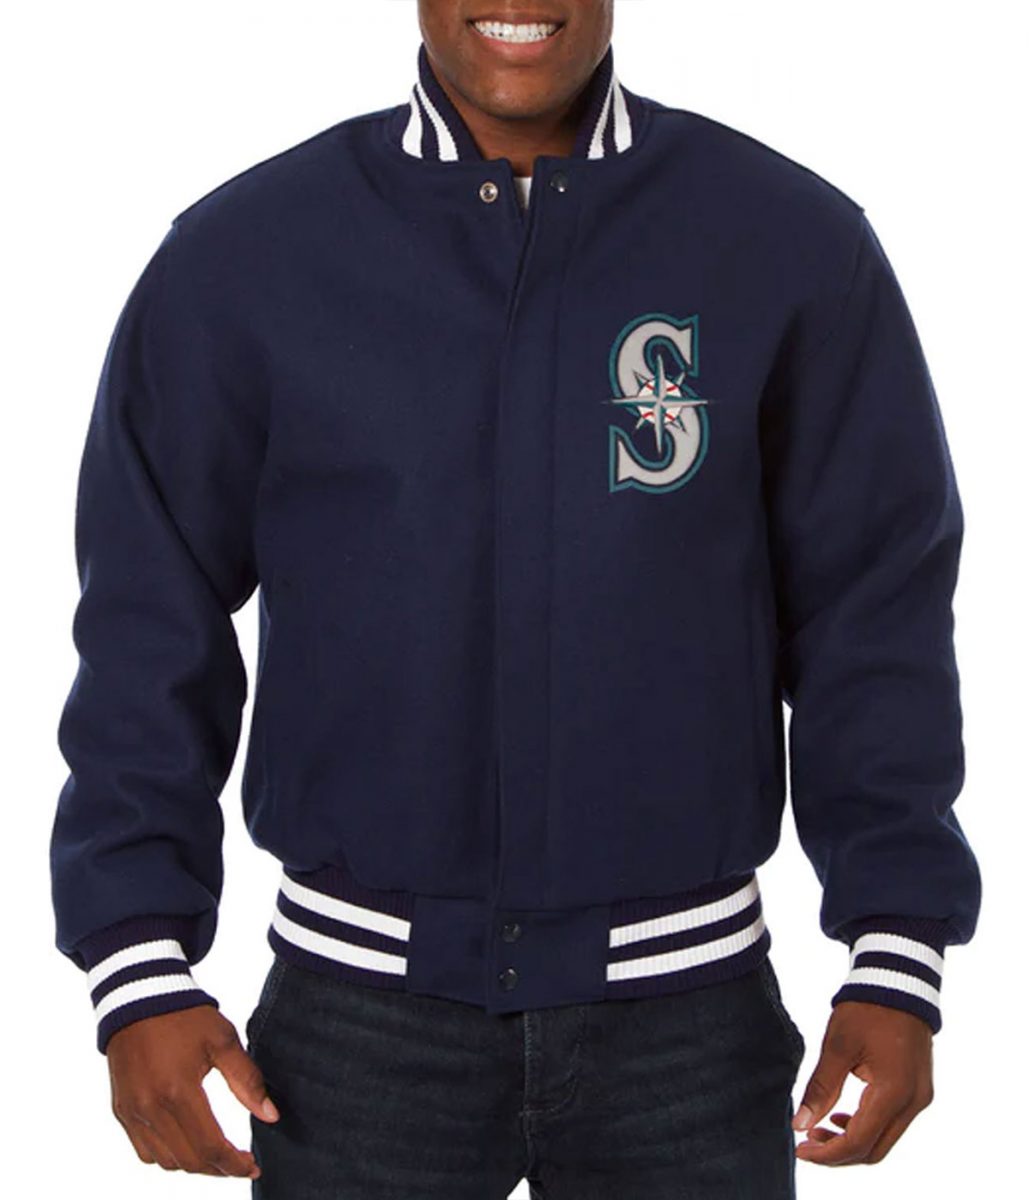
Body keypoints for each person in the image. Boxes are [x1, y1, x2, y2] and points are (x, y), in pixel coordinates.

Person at [49, 2, 981, 1196]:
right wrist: (137, 962)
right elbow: (147, 618)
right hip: (356, 1031)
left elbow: (875, 611)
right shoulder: (249, 255)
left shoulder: (786, 243)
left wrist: (897, 947)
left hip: (690, 1029)